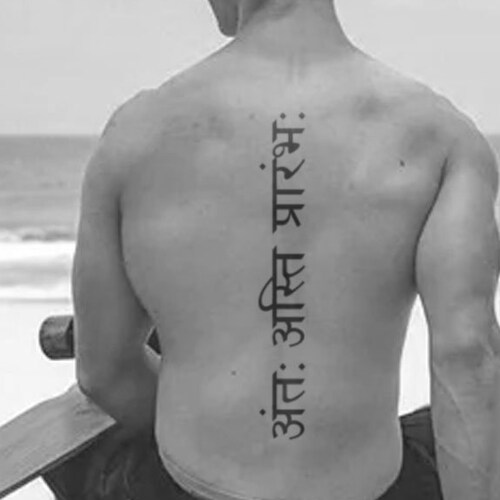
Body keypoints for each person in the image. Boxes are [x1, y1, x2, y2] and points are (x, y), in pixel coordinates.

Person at [68, 1, 500, 499]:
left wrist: (219, 438)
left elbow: (104, 372)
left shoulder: (135, 135)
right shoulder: (439, 137)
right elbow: (468, 356)